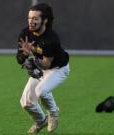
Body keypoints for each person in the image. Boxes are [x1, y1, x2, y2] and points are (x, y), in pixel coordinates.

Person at [16, 3, 70, 133]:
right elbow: (19, 60)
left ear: (44, 20)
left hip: (58, 69)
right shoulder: (25, 34)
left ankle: (53, 112)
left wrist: (33, 61)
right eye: (29, 18)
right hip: (41, 68)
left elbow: (46, 64)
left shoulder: (51, 38)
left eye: (35, 18)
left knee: (41, 91)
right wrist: (24, 54)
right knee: (26, 102)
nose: (31, 21)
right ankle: (41, 121)